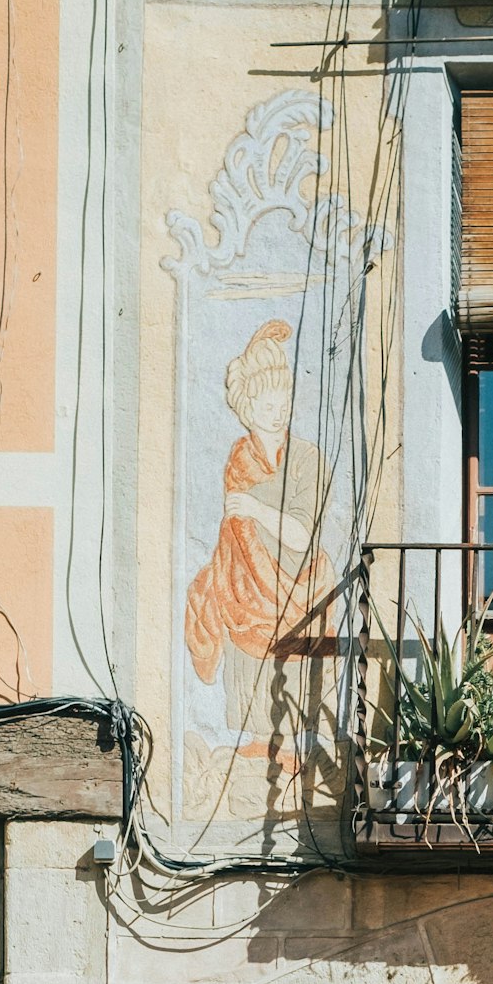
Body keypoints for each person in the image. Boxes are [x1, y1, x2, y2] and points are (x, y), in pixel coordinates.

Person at [184, 316, 335, 764]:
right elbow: (235, 532)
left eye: (284, 397)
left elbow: (303, 533)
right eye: (268, 400)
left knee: (295, 653)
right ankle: (259, 737)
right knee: (246, 634)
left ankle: (295, 739)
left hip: (300, 582)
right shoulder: (239, 459)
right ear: (247, 406)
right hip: (247, 585)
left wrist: (255, 509)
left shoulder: (308, 457)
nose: (278, 408)